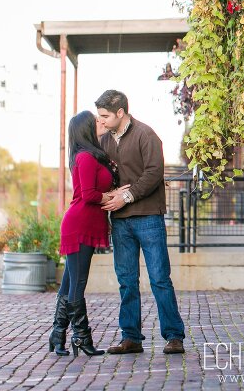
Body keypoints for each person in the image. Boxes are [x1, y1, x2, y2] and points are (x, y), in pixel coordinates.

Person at [95, 90, 186, 355]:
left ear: (120, 113)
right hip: (121, 222)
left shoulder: (146, 135)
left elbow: (154, 173)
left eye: (105, 116)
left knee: (159, 279)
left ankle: (174, 336)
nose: (101, 121)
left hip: (149, 218)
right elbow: (104, 175)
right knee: (126, 280)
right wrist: (110, 193)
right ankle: (131, 338)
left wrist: (126, 195)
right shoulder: (104, 142)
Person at [49, 110, 125, 357]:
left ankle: (57, 334)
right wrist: (113, 196)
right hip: (79, 225)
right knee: (77, 285)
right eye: (95, 121)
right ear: (86, 129)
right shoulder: (84, 157)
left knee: (70, 283)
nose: (100, 122)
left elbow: (94, 189)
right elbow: (89, 195)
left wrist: (115, 189)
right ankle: (81, 337)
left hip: (86, 224)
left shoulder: (91, 155)